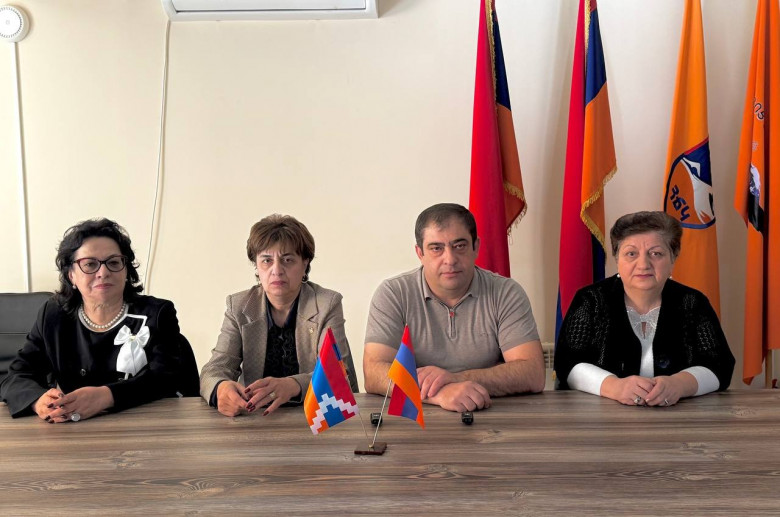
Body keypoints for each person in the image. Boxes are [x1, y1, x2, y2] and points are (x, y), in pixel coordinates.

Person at [0, 218, 199, 421]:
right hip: (76, 430)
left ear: (126, 270)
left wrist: (107, 396)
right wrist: (38, 401)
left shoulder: (157, 313)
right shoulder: (53, 315)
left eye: (113, 262)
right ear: (71, 275)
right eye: (90, 264)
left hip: (144, 426)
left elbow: (166, 379)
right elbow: (16, 376)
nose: (103, 273)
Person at [363, 203, 545, 413]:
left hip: (489, 412)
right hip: (415, 416)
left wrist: (455, 379)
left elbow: (533, 373)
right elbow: (374, 372)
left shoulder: (506, 292)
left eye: (459, 246)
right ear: (419, 253)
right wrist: (440, 393)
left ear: (476, 247)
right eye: (436, 248)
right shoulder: (393, 293)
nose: (449, 259)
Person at [554, 211, 735, 406]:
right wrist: (615, 387)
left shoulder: (693, 302)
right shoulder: (590, 300)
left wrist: (679, 384)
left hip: (680, 418)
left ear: (673, 257)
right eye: (631, 254)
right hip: (601, 417)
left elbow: (720, 365)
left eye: (656, 254)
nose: (643, 264)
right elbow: (567, 363)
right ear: (617, 258)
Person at [200, 214, 358, 417]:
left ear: (305, 263)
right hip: (255, 419)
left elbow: (338, 374)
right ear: (256, 266)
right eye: (267, 260)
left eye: (288, 260)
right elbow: (213, 370)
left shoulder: (327, 303)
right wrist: (220, 388)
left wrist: (294, 385)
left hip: (316, 417)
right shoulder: (239, 306)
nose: (277, 270)